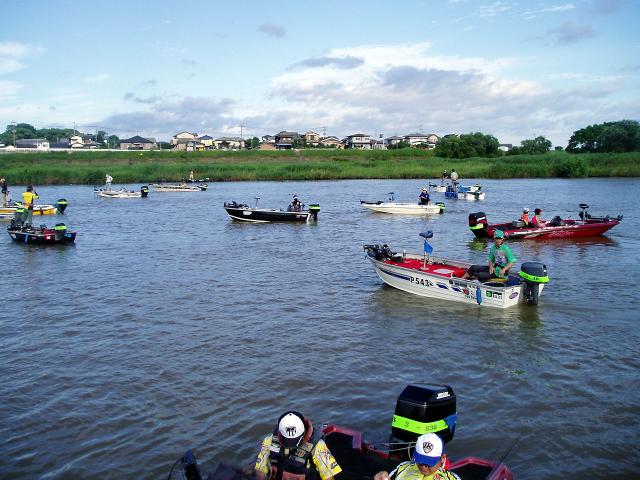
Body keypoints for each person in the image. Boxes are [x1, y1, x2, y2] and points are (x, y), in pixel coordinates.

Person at [254, 411, 342, 480]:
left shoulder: (318, 446)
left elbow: (328, 475)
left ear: (303, 433)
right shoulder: (269, 441)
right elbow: (261, 469)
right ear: (280, 434)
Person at [374, 433, 460, 480]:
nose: (423, 468)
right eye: (420, 461)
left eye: (429, 464)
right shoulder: (402, 467)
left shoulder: (452, 478)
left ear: (442, 458)